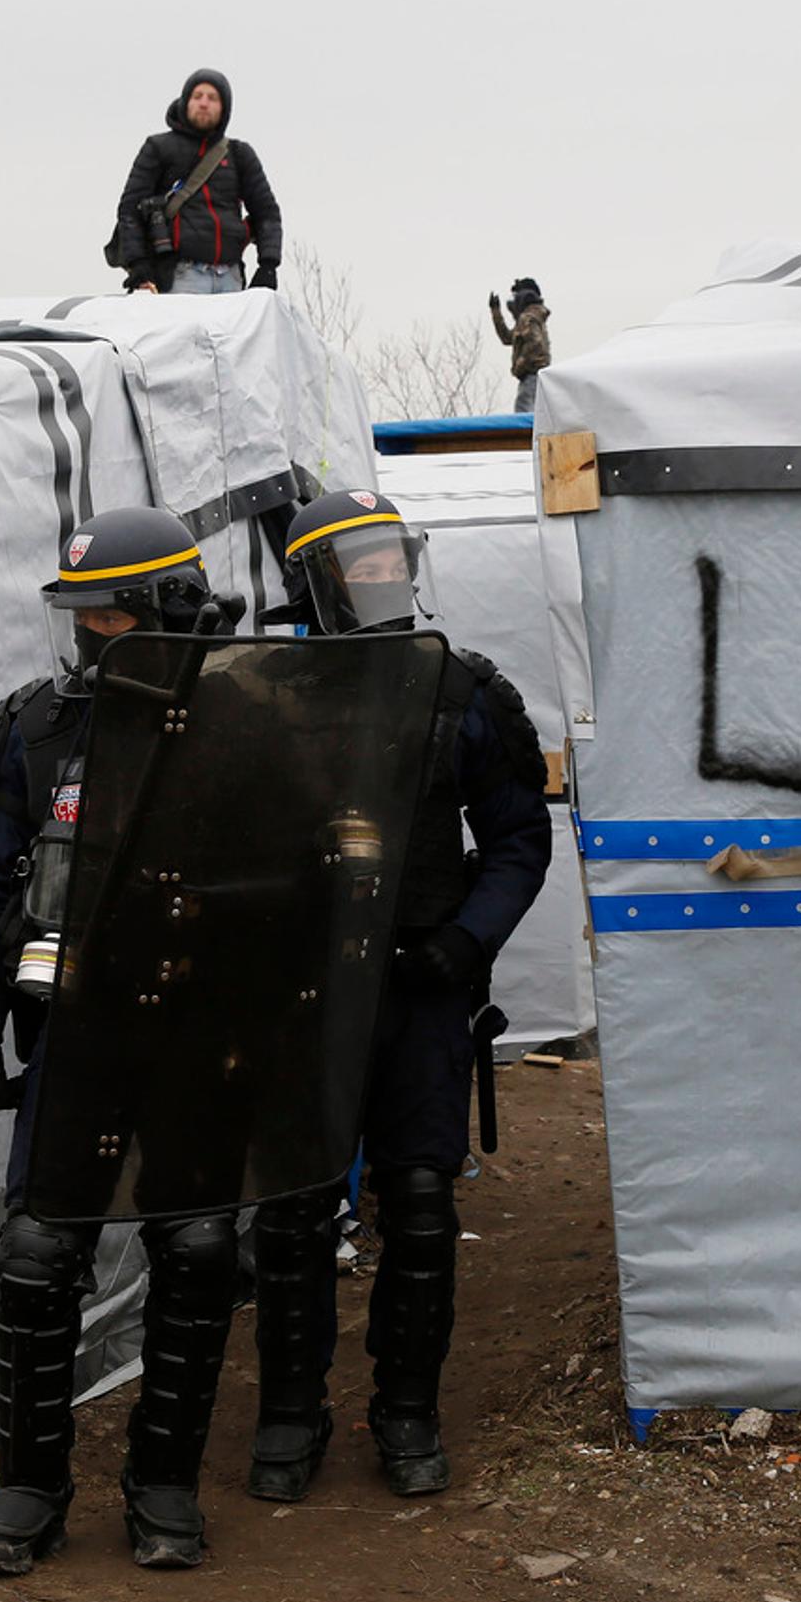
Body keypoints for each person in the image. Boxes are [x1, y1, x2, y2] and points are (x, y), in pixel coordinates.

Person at [0, 506, 241, 1576]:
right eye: (79, 615)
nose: (90, 634)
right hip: (71, 1038)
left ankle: (163, 1487)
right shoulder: (37, 725)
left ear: (170, 607)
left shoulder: (248, 719)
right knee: (35, 1264)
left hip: (196, 1040)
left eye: (110, 613)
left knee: (200, 1254)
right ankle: (28, 1488)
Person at [246, 490, 553, 1502]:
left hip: (421, 984)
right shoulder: (259, 694)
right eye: (357, 563)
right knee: (291, 1213)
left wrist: (465, 945)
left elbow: (516, 839)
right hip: (299, 991)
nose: (383, 576)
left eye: (391, 557)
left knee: (419, 1207)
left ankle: (407, 1412)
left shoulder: (462, 693)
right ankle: (290, 1416)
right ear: (313, 583)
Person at [111, 69, 283, 296]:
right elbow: (129, 210)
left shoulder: (239, 154)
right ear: (185, 102)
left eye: (213, 98)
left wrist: (268, 265)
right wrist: (138, 264)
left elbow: (266, 212)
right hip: (180, 275)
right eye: (197, 96)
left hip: (230, 277)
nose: (204, 103)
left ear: (224, 108)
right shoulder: (159, 148)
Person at [487, 278, 551, 413]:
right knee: (533, 413)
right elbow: (507, 338)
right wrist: (496, 312)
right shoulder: (531, 317)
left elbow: (535, 342)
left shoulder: (527, 317)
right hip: (535, 376)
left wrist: (520, 365)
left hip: (531, 374)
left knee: (523, 413)